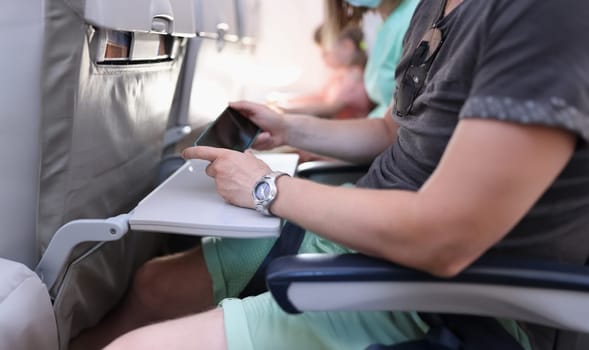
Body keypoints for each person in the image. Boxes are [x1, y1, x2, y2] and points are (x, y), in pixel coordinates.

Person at [85, 0, 589, 349]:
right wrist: (289, 128)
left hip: (443, 300)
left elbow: (445, 238)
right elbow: (396, 130)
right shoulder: (433, 9)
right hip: (365, 237)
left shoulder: (541, 15)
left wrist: (267, 188)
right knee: (153, 286)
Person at [271, 24, 375, 120]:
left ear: (347, 46)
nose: (323, 58)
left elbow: (329, 108)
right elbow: (321, 96)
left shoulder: (355, 76)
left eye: (325, 53)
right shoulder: (341, 74)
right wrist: (289, 100)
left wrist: (287, 109)